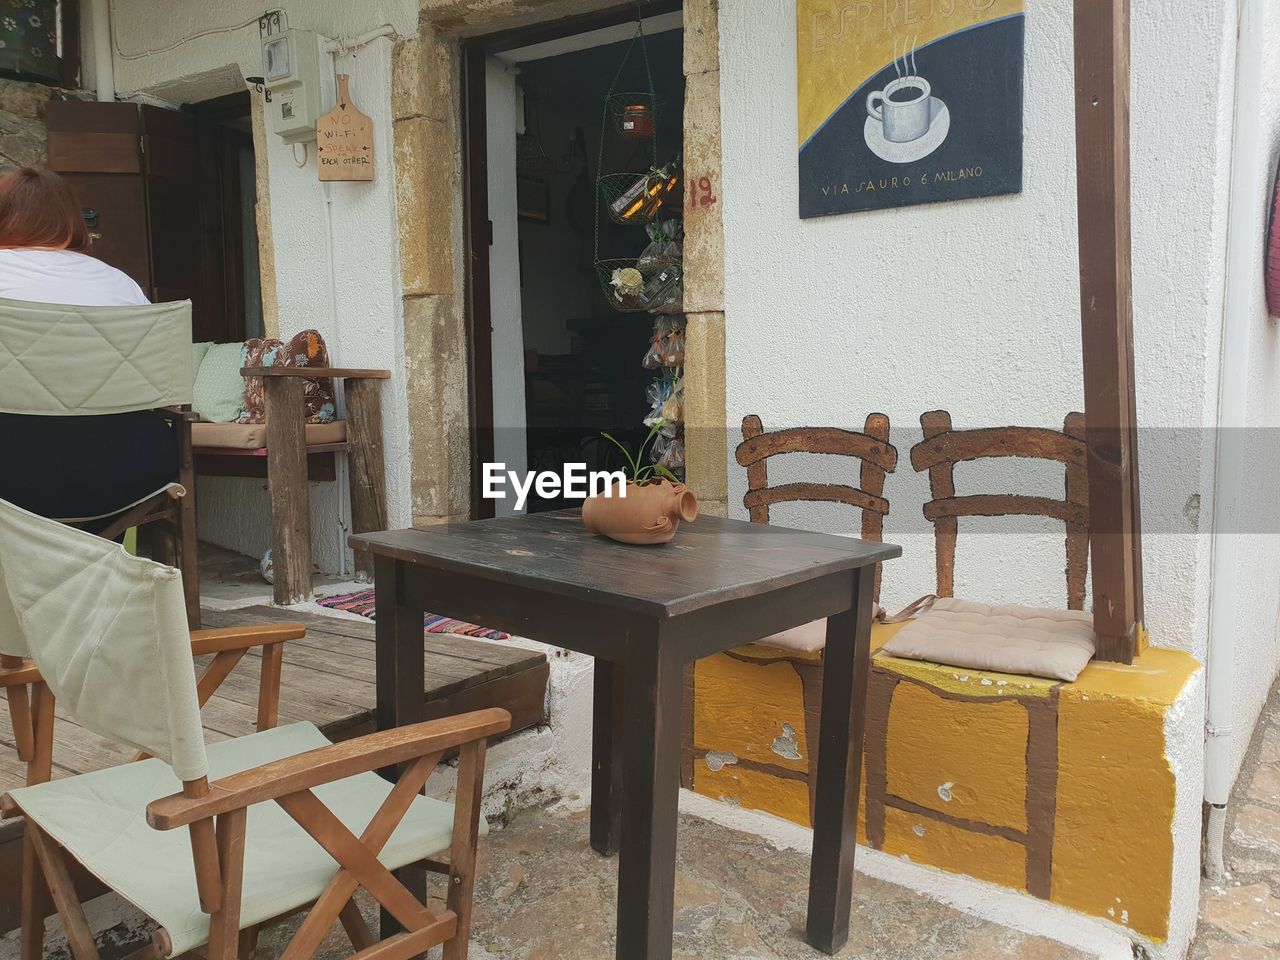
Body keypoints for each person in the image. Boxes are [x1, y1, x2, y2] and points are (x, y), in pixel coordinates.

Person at [0, 167, 179, 531]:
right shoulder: (119, 283)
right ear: (71, 219)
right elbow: (162, 393)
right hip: (128, 474)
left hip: (13, 474)